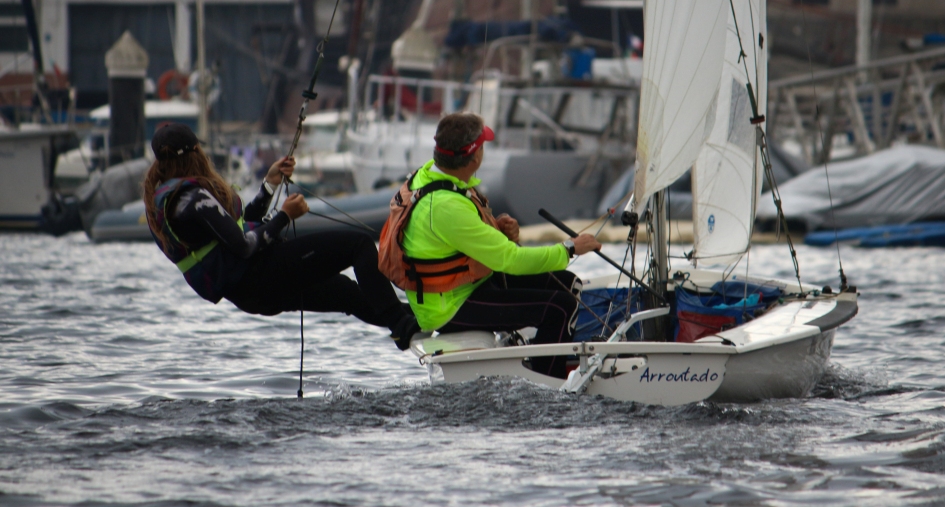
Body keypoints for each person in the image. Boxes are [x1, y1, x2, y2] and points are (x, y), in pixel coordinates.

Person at [143, 123, 418, 349]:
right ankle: (402, 326)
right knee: (357, 245)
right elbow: (245, 246)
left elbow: (238, 228)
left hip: (250, 293)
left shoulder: (166, 201)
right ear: (194, 154)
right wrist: (285, 216)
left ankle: (419, 323)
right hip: (261, 275)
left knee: (345, 292)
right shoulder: (193, 199)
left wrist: (269, 185)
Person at [378, 113, 602, 378]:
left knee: (568, 284)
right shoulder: (445, 206)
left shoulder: (431, 175)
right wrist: (570, 248)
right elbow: (512, 260)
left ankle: (542, 356)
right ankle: (548, 383)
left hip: (464, 286)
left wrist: (498, 229)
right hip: (450, 307)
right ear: (474, 156)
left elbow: (453, 240)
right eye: (482, 145)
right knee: (562, 308)